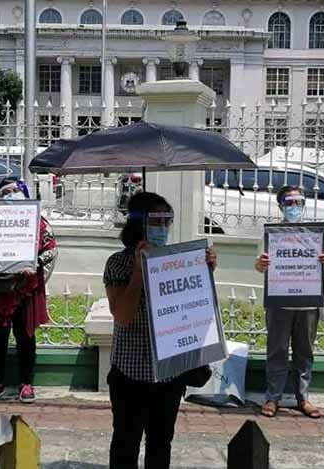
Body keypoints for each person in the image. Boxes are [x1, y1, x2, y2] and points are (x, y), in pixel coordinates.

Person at [104, 191, 218, 469]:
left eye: (168, 221)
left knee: (160, 442)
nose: (163, 228)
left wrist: (205, 273)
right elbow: (122, 316)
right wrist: (138, 275)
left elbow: (195, 308)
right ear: (139, 223)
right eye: (157, 221)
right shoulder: (118, 263)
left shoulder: (175, 261)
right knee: (125, 444)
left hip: (169, 374)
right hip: (130, 374)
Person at [254, 185, 324, 419]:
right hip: (279, 302)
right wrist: (261, 264)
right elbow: (259, 265)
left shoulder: (314, 234)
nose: (294, 207)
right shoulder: (270, 235)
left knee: (305, 351)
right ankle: (273, 398)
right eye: (289, 203)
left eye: (298, 202)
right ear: (280, 206)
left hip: (308, 303)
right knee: (276, 350)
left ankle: (303, 397)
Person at [0, 179, 57, 404]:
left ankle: (26, 383)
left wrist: (34, 264)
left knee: (25, 337)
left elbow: (51, 249)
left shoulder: (39, 223)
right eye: (5, 192)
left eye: (15, 191)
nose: (11, 195)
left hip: (25, 288)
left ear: (25, 193)